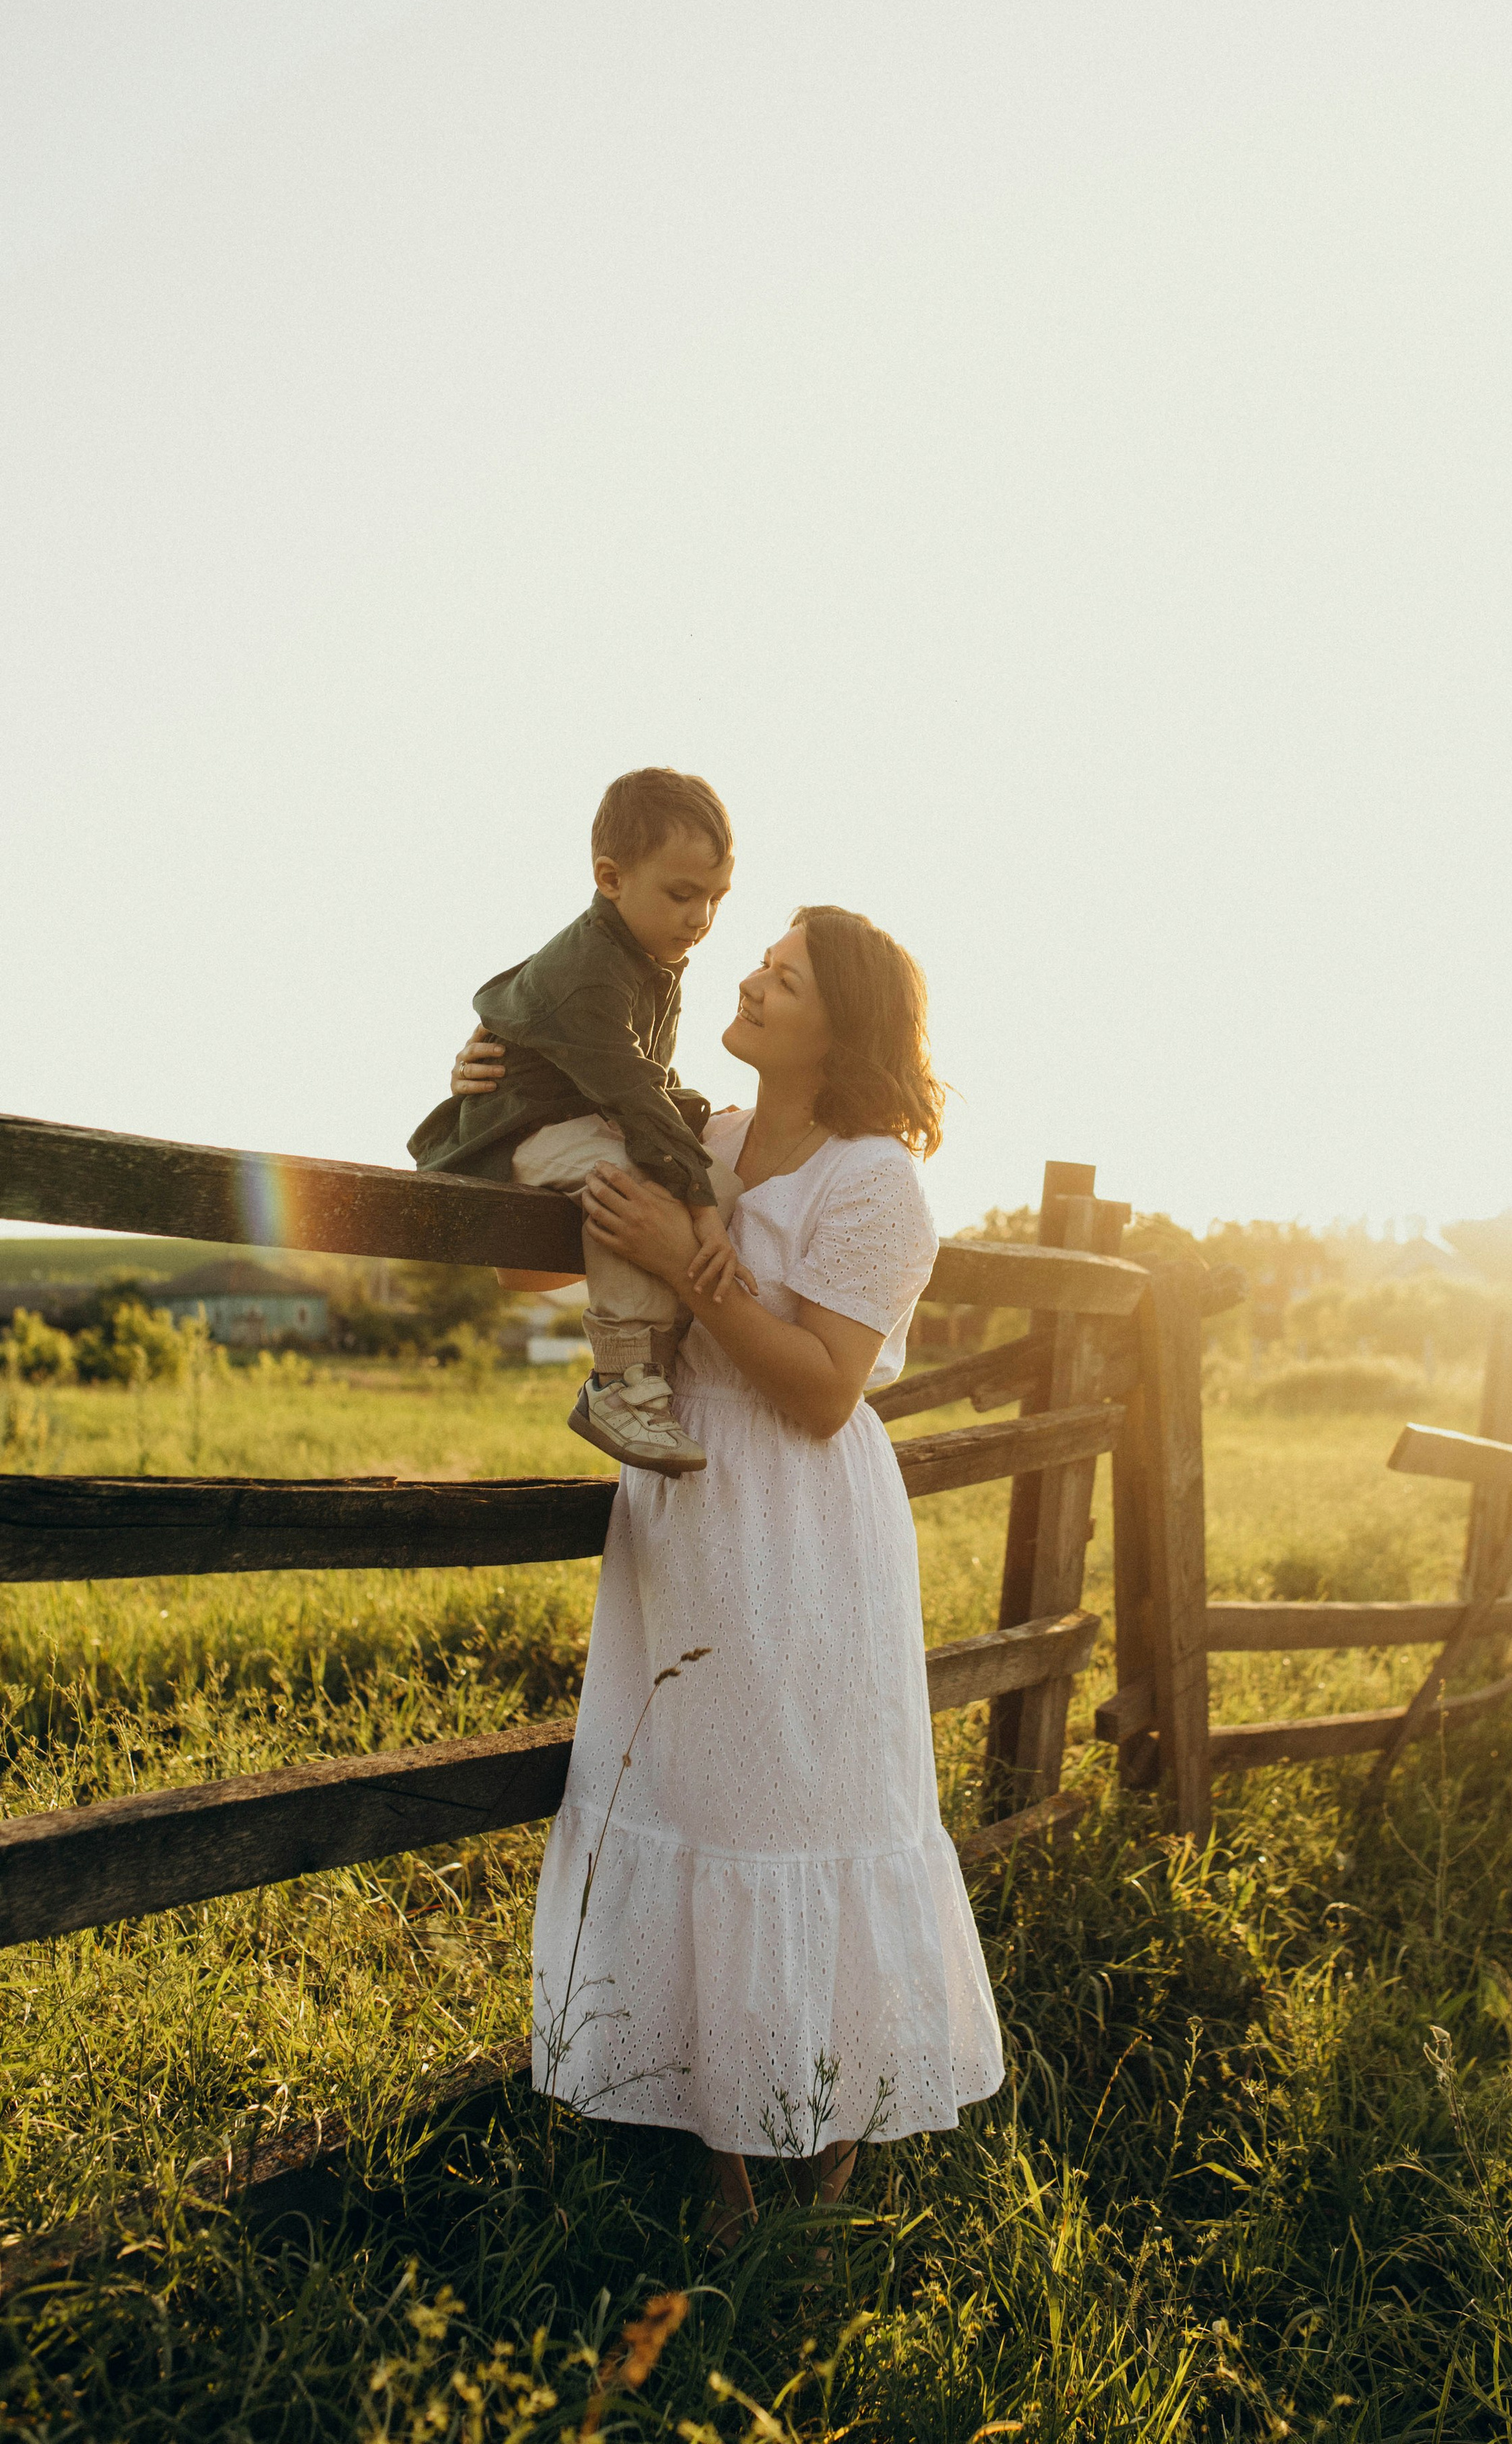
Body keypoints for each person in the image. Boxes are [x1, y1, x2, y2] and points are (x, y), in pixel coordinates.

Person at [450, 906, 1004, 2234]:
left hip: (801, 1526)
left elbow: (822, 1392)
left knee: (803, 1807)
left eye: (784, 975)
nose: (748, 976)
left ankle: (829, 2140)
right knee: (700, 1798)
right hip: (686, 1512)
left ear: (840, 1025)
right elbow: (567, 1150)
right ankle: (723, 2160)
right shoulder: (706, 1138)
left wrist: (689, 1272)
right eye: (759, 961)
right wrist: (491, 1074)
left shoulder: (877, 1182)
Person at [408, 767, 746, 1477]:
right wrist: (700, 1207)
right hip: (521, 1130)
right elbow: (632, 1095)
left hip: (582, 1114)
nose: (701, 919)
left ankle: (664, 1358)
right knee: (628, 1180)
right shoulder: (596, 972)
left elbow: (646, 1083)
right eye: (683, 895)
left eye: (716, 898)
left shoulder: (652, 954)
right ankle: (619, 1383)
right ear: (611, 877)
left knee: (709, 1171)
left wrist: (699, 1139)